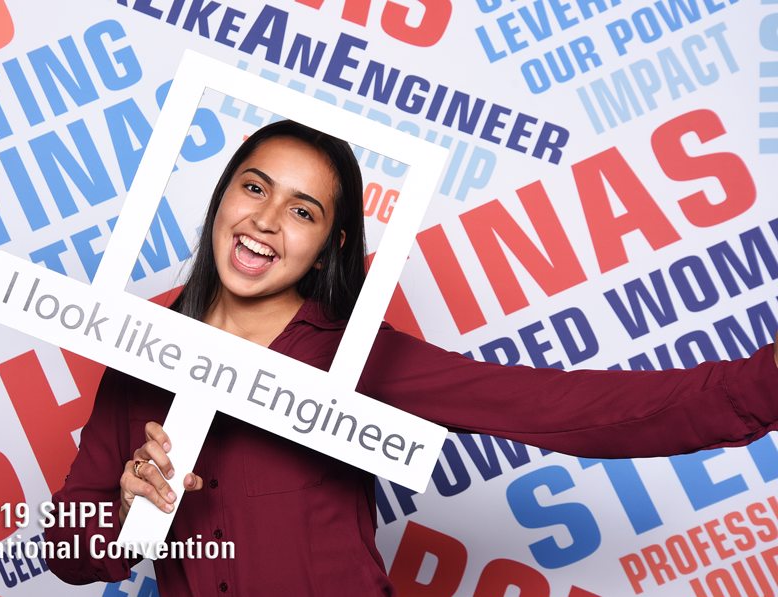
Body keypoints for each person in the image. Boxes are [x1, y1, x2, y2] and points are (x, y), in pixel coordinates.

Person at [45, 120, 778, 596]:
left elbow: (570, 412)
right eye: (255, 187)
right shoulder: (139, 350)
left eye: (303, 209)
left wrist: (763, 382)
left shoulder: (357, 357)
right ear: (221, 197)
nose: (266, 220)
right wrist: (125, 504)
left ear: (332, 243)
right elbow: (68, 552)